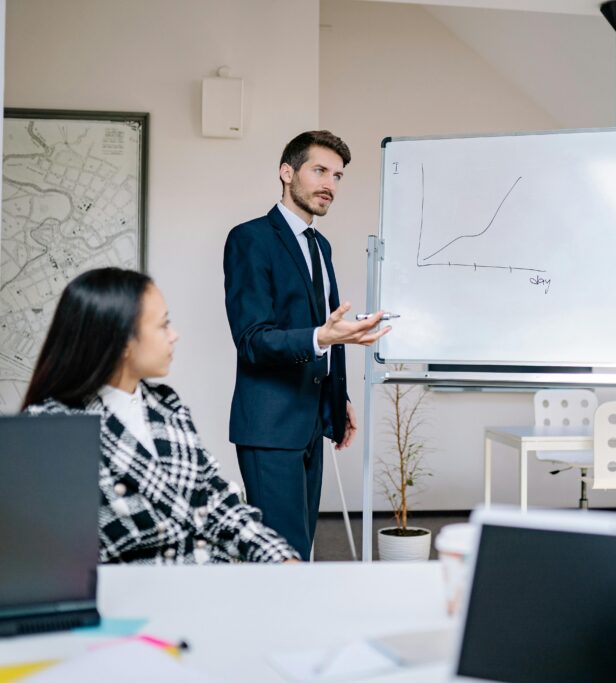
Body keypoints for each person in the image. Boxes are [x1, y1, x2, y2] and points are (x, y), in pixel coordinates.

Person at [23, 267, 299, 565]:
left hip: (213, 588)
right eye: (164, 325)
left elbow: (218, 501)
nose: (174, 335)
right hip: (132, 599)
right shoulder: (51, 427)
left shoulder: (167, 406)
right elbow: (55, 557)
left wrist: (282, 559)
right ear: (123, 340)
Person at [223, 131, 389, 559]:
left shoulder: (321, 246)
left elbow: (328, 330)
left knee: (303, 549)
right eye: (319, 170)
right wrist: (323, 337)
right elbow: (253, 341)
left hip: (312, 422)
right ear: (286, 172)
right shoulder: (250, 239)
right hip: (270, 426)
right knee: (282, 554)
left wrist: (339, 396)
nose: (329, 184)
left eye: (337, 176)